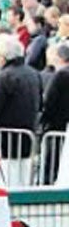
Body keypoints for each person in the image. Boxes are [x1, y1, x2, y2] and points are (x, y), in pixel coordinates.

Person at [0, 33, 44, 187]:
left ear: (3, 57)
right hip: (28, 135)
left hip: (6, 139)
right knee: (23, 180)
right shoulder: (34, 74)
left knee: (8, 181)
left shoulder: (3, 77)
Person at [40, 44, 69, 183]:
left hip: (57, 127)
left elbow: (49, 102)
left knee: (52, 167)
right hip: (62, 128)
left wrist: (44, 121)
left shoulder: (61, 75)